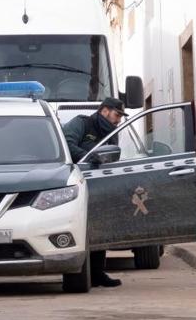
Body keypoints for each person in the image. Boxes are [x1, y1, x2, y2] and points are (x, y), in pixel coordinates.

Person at [62, 97, 127, 288]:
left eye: (121, 116)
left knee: (99, 227)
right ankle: (76, 275)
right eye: (117, 115)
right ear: (104, 111)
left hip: (100, 185)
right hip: (76, 184)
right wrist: (90, 157)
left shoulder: (112, 134)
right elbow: (67, 144)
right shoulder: (82, 123)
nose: (118, 120)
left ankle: (98, 273)